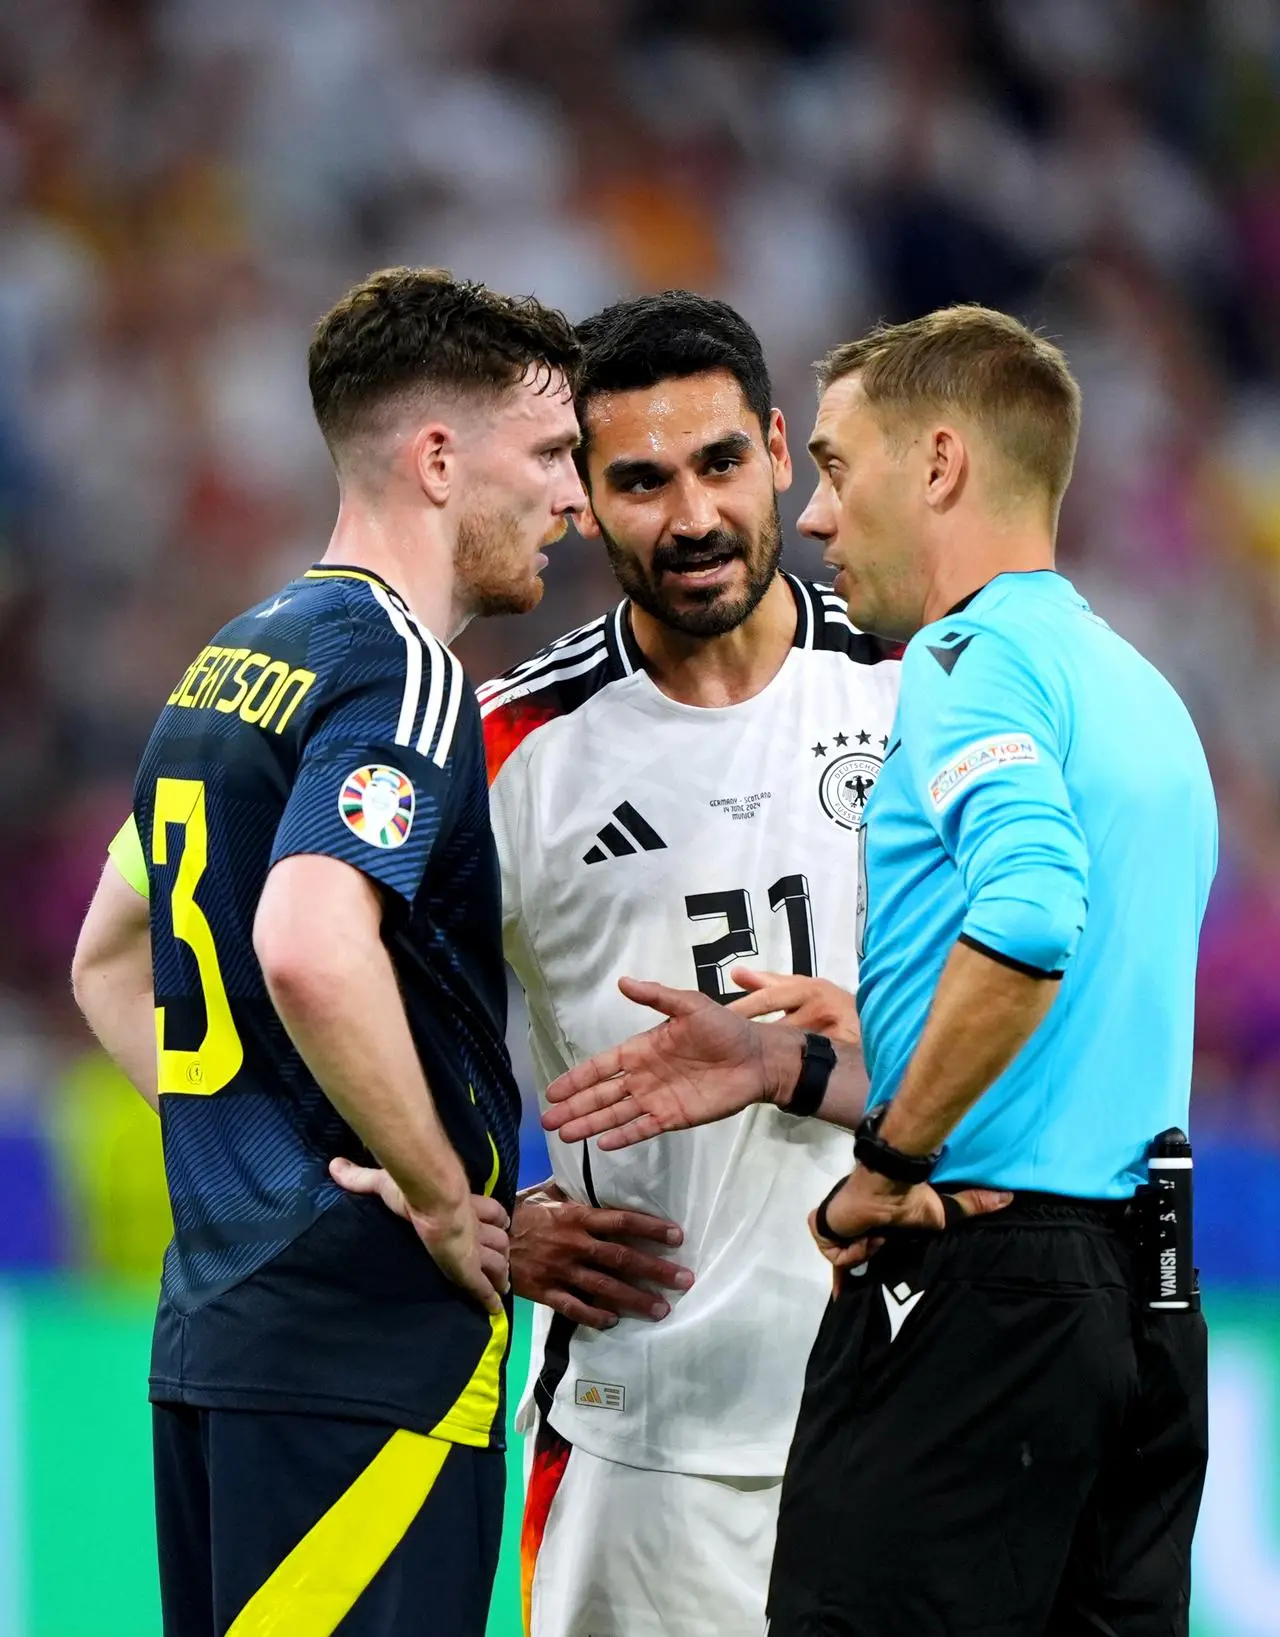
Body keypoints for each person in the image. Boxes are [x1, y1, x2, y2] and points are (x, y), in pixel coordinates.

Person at [545, 304, 1216, 1636]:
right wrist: (871, 1038)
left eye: (839, 470)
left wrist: (888, 1167)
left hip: (981, 1284)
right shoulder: (1137, 687)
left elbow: (1029, 917)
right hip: (1151, 1300)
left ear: (943, 466)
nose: (819, 518)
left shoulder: (962, 664)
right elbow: (1088, 989)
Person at [70, 266, 585, 1637]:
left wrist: (262, 1143)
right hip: (363, 1358)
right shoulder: (403, 671)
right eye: (546, 454)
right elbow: (307, 941)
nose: (573, 498)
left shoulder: (232, 658)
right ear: (435, 459)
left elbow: (108, 962)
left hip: (222, 1345)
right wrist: (426, 1191)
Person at [480, 290, 901, 1637]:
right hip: (643, 1437)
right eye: (642, 482)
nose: (696, 517)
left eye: (720, 463)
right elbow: (319, 1007)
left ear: (781, 450)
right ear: (585, 504)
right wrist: (486, 1211)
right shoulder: (507, 750)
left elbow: (1041, 1019)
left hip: (915, 1404)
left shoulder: (927, 689)